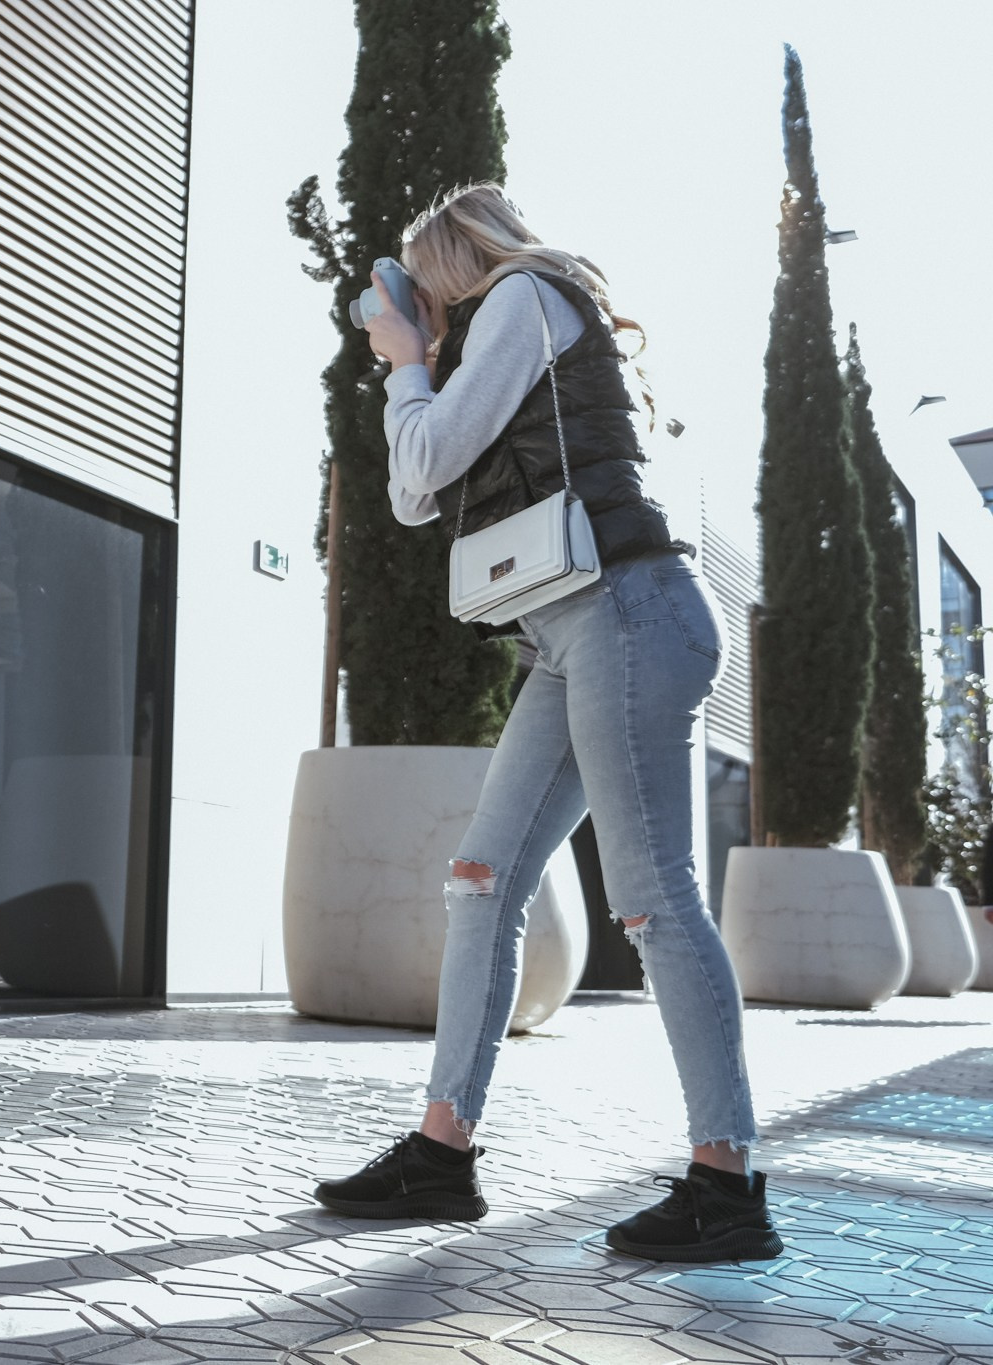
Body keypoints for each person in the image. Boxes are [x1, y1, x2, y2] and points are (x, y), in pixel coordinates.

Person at [312, 185, 780, 1263]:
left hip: (625, 612)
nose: (416, 307)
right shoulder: (496, 338)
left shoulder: (523, 295)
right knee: (479, 881)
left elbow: (421, 466)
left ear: (445, 263)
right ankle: (440, 1156)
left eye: (417, 284)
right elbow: (413, 497)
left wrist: (401, 361)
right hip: (571, 637)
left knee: (654, 900)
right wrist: (416, 369)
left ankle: (726, 1184)